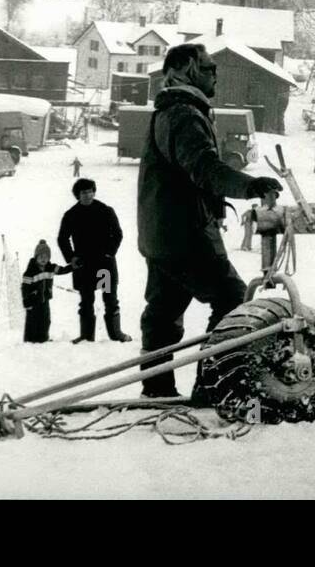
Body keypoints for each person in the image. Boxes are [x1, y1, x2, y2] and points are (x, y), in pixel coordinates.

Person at [137, 43, 282, 401]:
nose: (215, 73)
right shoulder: (184, 114)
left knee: (163, 314)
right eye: (208, 67)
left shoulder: (172, 111)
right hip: (185, 235)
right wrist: (250, 184)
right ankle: (215, 384)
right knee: (232, 299)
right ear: (185, 69)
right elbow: (203, 168)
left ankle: (157, 389)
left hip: (162, 233)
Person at [57, 178, 130, 343]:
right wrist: (71, 258)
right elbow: (62, 238)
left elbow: (117, 234)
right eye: (84, 192)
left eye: (90, 191)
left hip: (105, 264)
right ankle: (86, 336)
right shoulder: (71, 215)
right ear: (78, 195)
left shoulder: (106, 210)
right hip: (84, 265)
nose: (88, 195)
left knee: (110, 298)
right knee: (86, 300)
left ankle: (116, 333)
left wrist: (109, 253)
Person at [21, 241, 72, 343]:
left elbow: (62, 270)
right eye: (41, 256)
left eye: (46, 256)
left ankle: (43, 339)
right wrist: (26, 301)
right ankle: (30, 340)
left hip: (45, 300)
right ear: (36, 257)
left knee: (45, 320)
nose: (44, 259)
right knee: (33, 321)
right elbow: (24, 288)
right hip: (33, 301)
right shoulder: (30, 271)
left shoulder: (51, 267)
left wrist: (72, 267)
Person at [241, 190, 293, 277]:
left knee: (248, 236)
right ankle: (245, 246)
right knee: (247, 236)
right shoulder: (253, 211)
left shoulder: (256, 211)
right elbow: (245, 216)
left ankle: (247, 246)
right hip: (250, 225)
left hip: (252, 224)